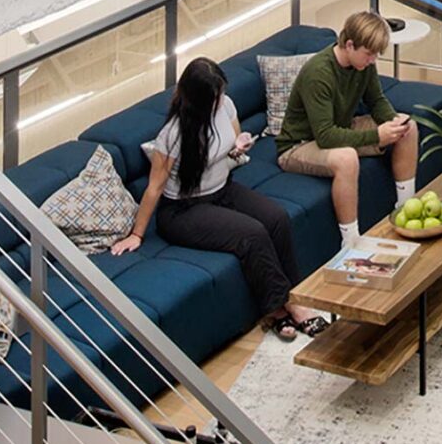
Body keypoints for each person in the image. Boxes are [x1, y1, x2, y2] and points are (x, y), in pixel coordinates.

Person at [110, 58, 323, 344]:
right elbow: (155, 186)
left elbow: (229, 148)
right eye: (214, 97)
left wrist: (239, 147)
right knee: (252, 234)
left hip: (222, 190)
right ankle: (283, 308)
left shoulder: (226, 106)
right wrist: (137, 234)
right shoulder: (173, 135)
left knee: (276, 218)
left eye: (221, 93)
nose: (220, 100)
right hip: (182, 210)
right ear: (197, 101)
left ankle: (291, 297)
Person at [277, 11, 420, 248]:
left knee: (408, 127)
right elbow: (325, 136)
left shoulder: (363, 64)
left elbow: (376, 100)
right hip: (299, 145)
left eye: (376, 54)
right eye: (368, 54)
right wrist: (377, 135)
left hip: (339, 127)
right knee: (347, 158)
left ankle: (406, 209)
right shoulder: (319, 73)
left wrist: (392, 121)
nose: (373, 60)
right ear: (350, 44)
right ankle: (351, 241)